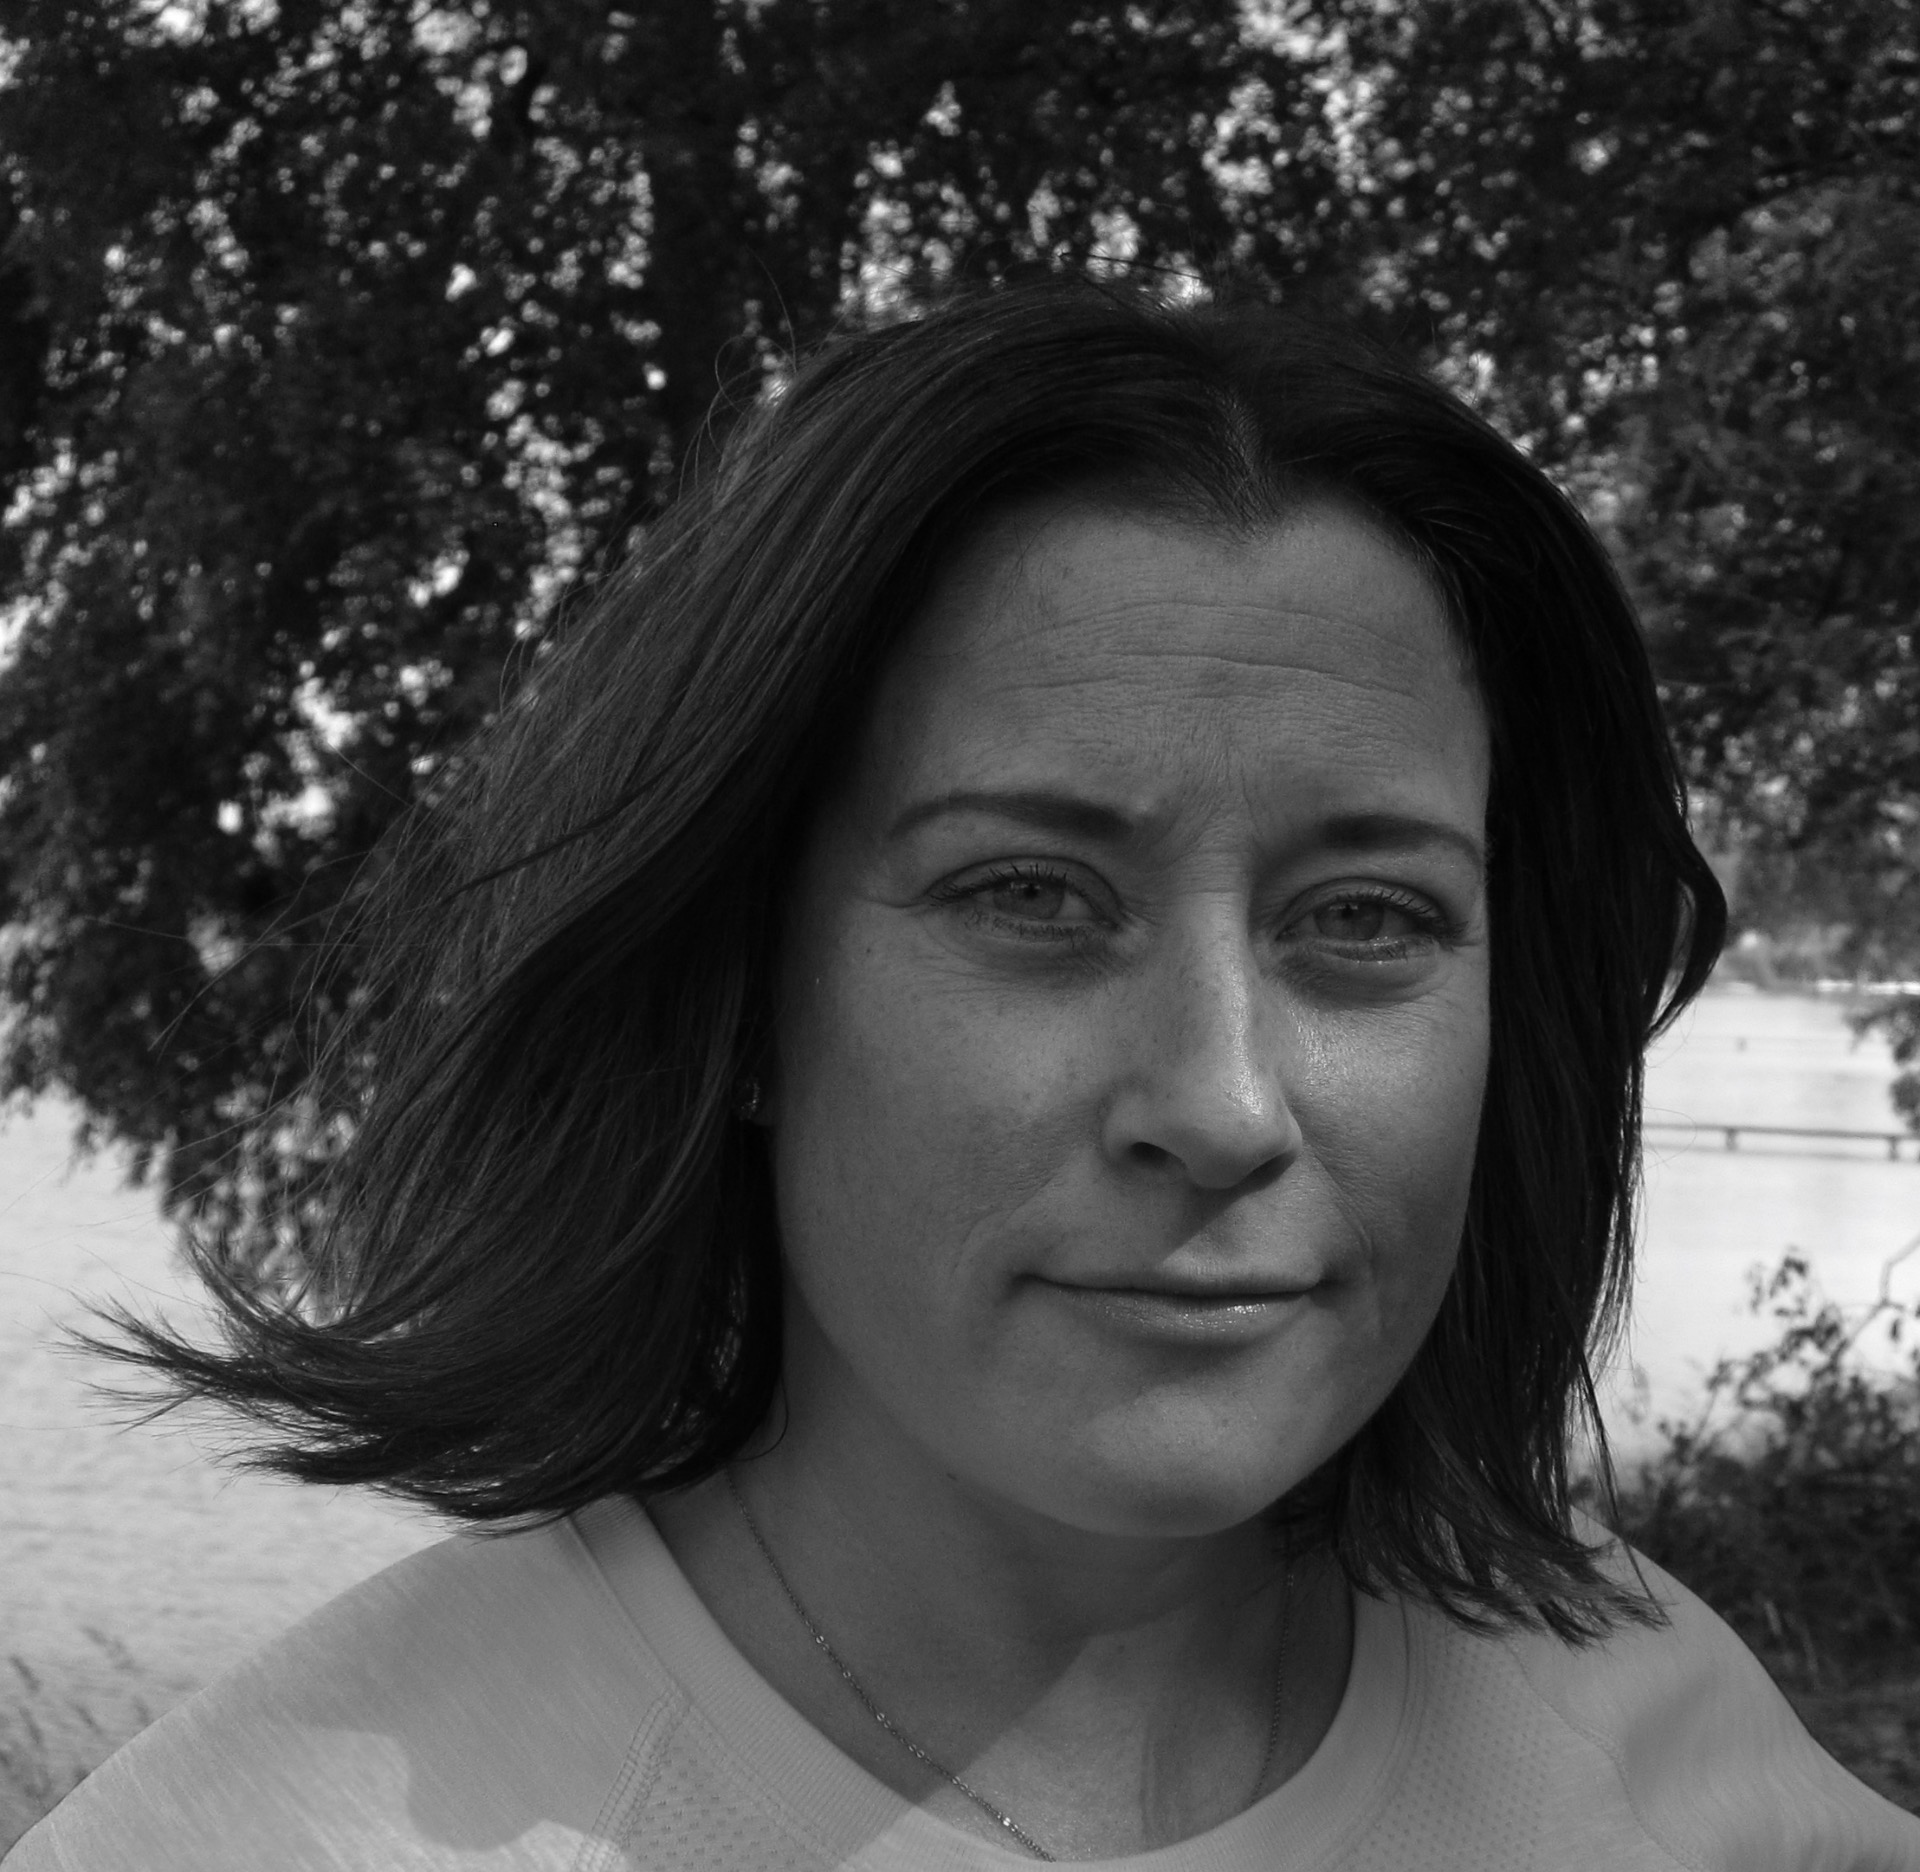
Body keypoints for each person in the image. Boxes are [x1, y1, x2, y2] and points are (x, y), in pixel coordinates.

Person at [8, 275, 1916, 1872]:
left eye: (1366, 918)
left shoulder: (1671, 1773)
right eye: (1030, 896)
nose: (1222, 1105)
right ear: (742, 994)